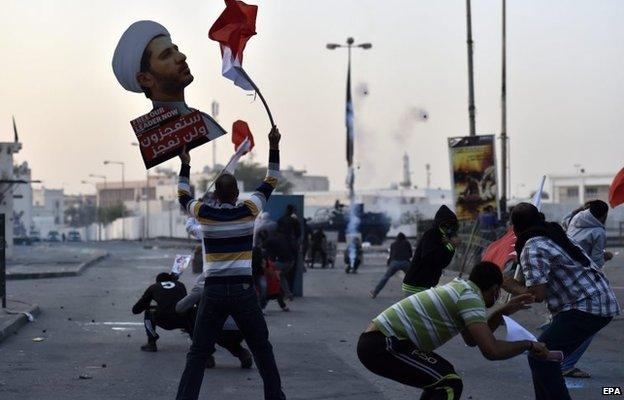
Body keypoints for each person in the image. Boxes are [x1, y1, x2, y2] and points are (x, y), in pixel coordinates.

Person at [174, 125, 285, 400]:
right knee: (262, 348)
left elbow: (182, 195)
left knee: (198, 353)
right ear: (237, 194)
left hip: (212, 291)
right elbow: (272, 178)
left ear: (216, 195)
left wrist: (185, 165)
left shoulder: (204, 213)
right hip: (242, 291)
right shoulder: (249, 211)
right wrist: (274, 144)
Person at [357, 262, 549, 400]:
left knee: (445, 378)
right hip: (384, 344)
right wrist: (529, 344)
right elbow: (492, 351)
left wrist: (502, 312)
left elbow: (472, 340)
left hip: (382, 342)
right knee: (449, 383)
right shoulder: (469, 297)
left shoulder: (462, 288)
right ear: (494, 289)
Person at [503, 202, 620, 400]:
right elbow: (528, 284)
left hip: (585, 306)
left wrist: (503, 281)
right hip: (597, 301)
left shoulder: (532, 246)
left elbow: (536, 294)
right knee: (544, 357)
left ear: (514, 229)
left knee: (542, 357)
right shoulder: (553, 233)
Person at [556, 200, 613, 379]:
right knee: (590, 324)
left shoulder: (573, 219)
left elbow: (565, 228)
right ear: (604, 215)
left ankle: (557, 357)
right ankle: (567, 364)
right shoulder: (598, 231)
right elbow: (595, 263)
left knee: (569, 321)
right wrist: (606, 256)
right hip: (581, 283)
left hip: (563, 276)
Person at [403, 205, 459, 295]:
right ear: (442, 224)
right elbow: (429, 258)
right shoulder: (432, 234)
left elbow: (443, 263)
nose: (450, 229)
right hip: (416, 285)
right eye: (448, 225)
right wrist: (449, 246)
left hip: (426, 284)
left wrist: (451, 247)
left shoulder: (443, 237)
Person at [132, 272, 193, 352]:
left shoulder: (153, 287)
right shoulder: (180, 285)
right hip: (182, 319)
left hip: (163, 319)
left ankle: (151, 342)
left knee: (148, 312)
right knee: (191, 311)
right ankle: (197, 340)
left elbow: (137, 309)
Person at [370, 233, 413, 298]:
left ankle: (375, 292)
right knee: (412, 278)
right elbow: (410, 255)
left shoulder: (393, 244)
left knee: (385, 277)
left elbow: (391, 255)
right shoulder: (407, 243)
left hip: (395, 263)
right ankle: (414, 294)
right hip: (405, 262)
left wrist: (389, 263)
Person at [263, 229, 295, 300]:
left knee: (269, 272)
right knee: (281, 276)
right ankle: (288, 294)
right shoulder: (282, 240)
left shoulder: (270, 241)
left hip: (284, 262)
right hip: (291, 261)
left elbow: (263, 248)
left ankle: (270, 294)